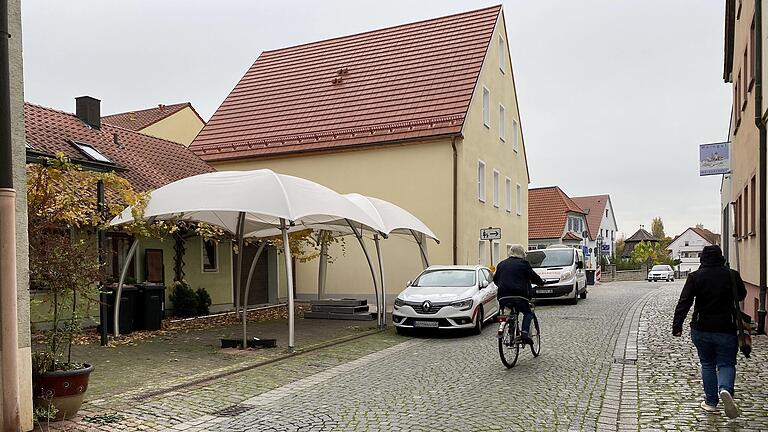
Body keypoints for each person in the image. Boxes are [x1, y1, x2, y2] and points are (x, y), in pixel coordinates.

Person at [672, 245, 746, 419]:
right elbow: (742, 295)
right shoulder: (731, 275)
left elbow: (685, 301)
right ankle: (725, 389)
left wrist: (677, 325)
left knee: (707, 364)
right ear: (721, 257)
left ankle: (711, 402)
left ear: (702, 258)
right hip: (726, 327)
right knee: (727, 363)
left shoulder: (695, 277)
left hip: (701, 328)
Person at [493, 244, 544, 343]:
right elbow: (533, 276)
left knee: (508, 312)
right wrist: (541, 282)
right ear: (521, 253)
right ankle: (524, 333)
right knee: (528, 313)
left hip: (503, 296)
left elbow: (495, 280)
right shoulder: (523, 263)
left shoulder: (501, 264)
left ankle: (509, 327)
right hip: (519, 295)